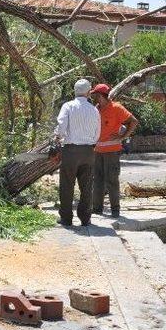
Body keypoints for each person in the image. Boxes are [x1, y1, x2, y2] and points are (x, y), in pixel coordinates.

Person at [53, 79, 101, 226]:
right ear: (88, 93)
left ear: (75, 91)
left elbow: (61, 127)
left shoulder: (68, 106)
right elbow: (97, 133)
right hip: (88, 151)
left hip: (71, 151)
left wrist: (57, 138)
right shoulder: (94, 110)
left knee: (67, 185)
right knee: (87, 187)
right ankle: (85, 218)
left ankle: (66, 218)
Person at [89, 84, 139, 217]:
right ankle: (97, 209)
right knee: (97, 180)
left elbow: (133, 121)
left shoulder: (116, 108)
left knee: (111, 180)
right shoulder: (96, 109)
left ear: (100, 96)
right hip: (98, 151)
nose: (93, 97)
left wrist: (123, 136)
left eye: (95, 95)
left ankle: (115, 210)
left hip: (112, 151)